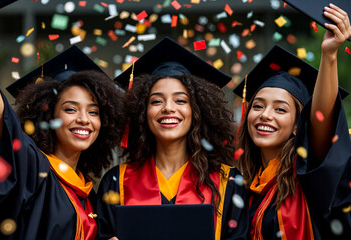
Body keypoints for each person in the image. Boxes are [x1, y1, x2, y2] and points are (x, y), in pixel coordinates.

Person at [0, 1, 125, 239]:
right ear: (48, 116)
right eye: (71, 110)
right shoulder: (34, 168)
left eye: (93, 112)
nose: (84, 120)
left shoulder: (87, 193)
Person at [233, 4, 351, 239]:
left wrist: (329, 54)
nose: (265, 114)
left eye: (280, 109)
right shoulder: (240, 186)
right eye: (258, 106)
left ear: (299, 125)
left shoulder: (310, 176)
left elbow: (321, 120)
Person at [96, 37, 249, 240]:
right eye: (157, 101)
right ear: (143, 111)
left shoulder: (228, 182)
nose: (168, 107)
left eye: (180, 100)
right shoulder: (116, 181)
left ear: (197, 111)